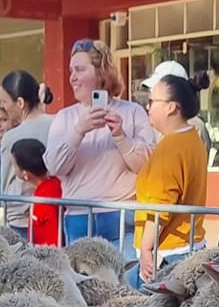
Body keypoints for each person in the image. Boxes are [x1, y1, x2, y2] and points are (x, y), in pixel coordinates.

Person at [45, 39, 155, 247]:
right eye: (71, 70)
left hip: (122, 216)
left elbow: (147, 167)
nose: (72, 78)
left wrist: (121, 138)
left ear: (101, 72)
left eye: (79, 69)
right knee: (81, 280)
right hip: (78, 217)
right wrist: (78, 132)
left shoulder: (132, 112)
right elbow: (54, 167)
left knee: (125, 280)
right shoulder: (64, 117)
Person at [135, 70, 212, 283]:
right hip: (186, 245)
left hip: (167, 252)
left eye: (152, 101)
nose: (147, 106)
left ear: (171, 107)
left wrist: (146, 248)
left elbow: (161, 207)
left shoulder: (171, 147)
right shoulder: (191, 139)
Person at [0, 71, 53, 241]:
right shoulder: (59, 123)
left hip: (21, 219)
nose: (2, 106)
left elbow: (6, 186)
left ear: (20, 102)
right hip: (54, 213)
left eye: (5, 101)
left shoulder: (11, 137)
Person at [11, 137, 61, 247]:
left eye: (14, 165)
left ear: (25, 173)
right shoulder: (56, 184)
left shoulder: (43, 200)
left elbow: (52, 238)